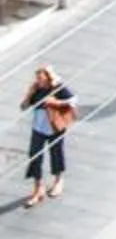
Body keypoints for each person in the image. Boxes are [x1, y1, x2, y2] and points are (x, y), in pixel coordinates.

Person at [21, 65, 74, 204]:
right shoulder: (35, 88)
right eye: (37, 78)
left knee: (56, 153)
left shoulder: (57, 87)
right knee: (34, 156)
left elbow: (73, 100)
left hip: (54, 127)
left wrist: (55, 102)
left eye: (41, 78)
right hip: (38, 128)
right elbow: (23, 107)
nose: (39, 81)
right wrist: (29, 95)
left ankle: (58, 180)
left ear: (48, 77)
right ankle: (38, 187)